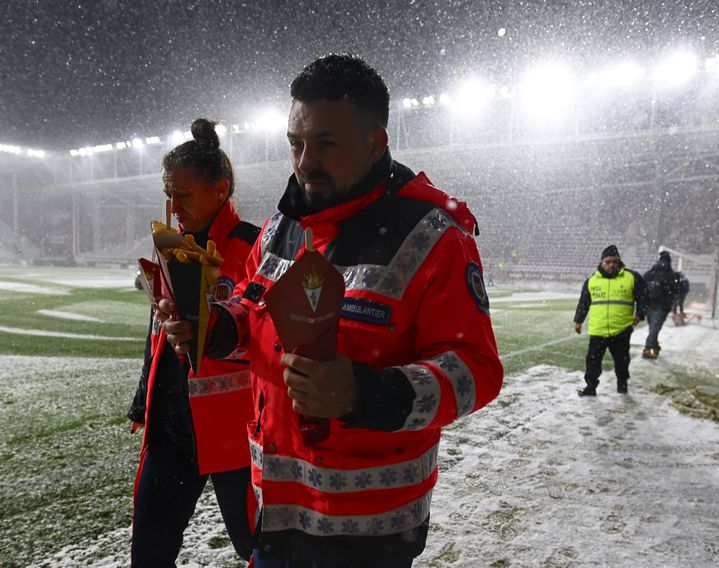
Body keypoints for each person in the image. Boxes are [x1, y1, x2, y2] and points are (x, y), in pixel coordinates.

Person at [160, 54, 504, 568]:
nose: (304, 162)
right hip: (275, 510)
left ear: (375, 142)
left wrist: (367, 392)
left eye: (325, 143)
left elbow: (477, 370)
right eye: (296, 143)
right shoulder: (285, 222)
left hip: (368, 534)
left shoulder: (434, 237)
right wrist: (214, 328)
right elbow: (255, 313)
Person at [127, 118, 260, 567]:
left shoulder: (253, 247)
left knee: (258, 551)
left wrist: (217, 332)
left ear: (219, 189)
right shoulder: (172, 247)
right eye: (167, 194)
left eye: (181, 194)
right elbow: (159, 338)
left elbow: (269, 333)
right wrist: (143, 400)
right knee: (148, 554)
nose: (172, 205)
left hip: (234, 432)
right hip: (171, 429)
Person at [573, 245, 649, 395]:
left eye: (614, 261)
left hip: (621, 329)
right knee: (592, 361)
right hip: (598, 329)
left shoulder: (631, 277)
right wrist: (578, 321)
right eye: (608, 261)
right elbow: (584, 302)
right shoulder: (592, 280)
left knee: (621, 361)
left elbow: (644, 297)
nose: (611, 265)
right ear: (602, 262)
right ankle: (591, 387)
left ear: (619, 261)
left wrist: (639, 314)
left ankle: (622, 383)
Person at [641, 250, 679, 358]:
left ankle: (649, 348)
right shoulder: (671, 275)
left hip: (650, 305)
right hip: (662, 306)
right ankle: (652, 347)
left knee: (653, 328)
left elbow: (641, 285)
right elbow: (676, 291)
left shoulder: (651, 272)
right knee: (654, 328)